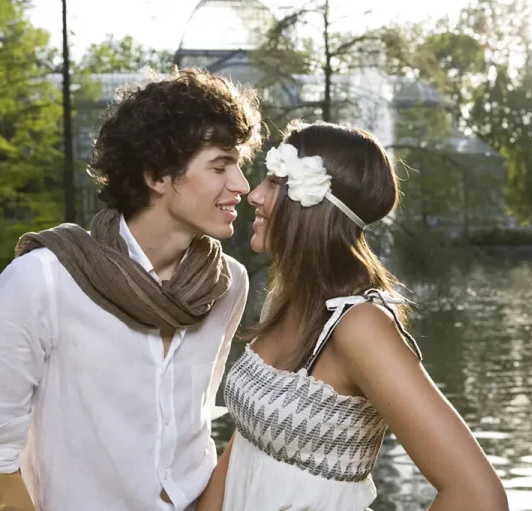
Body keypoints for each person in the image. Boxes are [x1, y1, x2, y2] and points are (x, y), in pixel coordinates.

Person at [0, 68, 263, 511]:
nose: (242, 186)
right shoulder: (44, 280)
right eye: (220, 166)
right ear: (157, 176)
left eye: (239, 165)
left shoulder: (227, 283)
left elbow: (195, 420)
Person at [196, 121, 509, 511]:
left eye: (274, 182)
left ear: (312, 203)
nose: (254, 194)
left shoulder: (360, 325)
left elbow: (479, 496)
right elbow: (246, 439)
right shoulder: (284, 299)